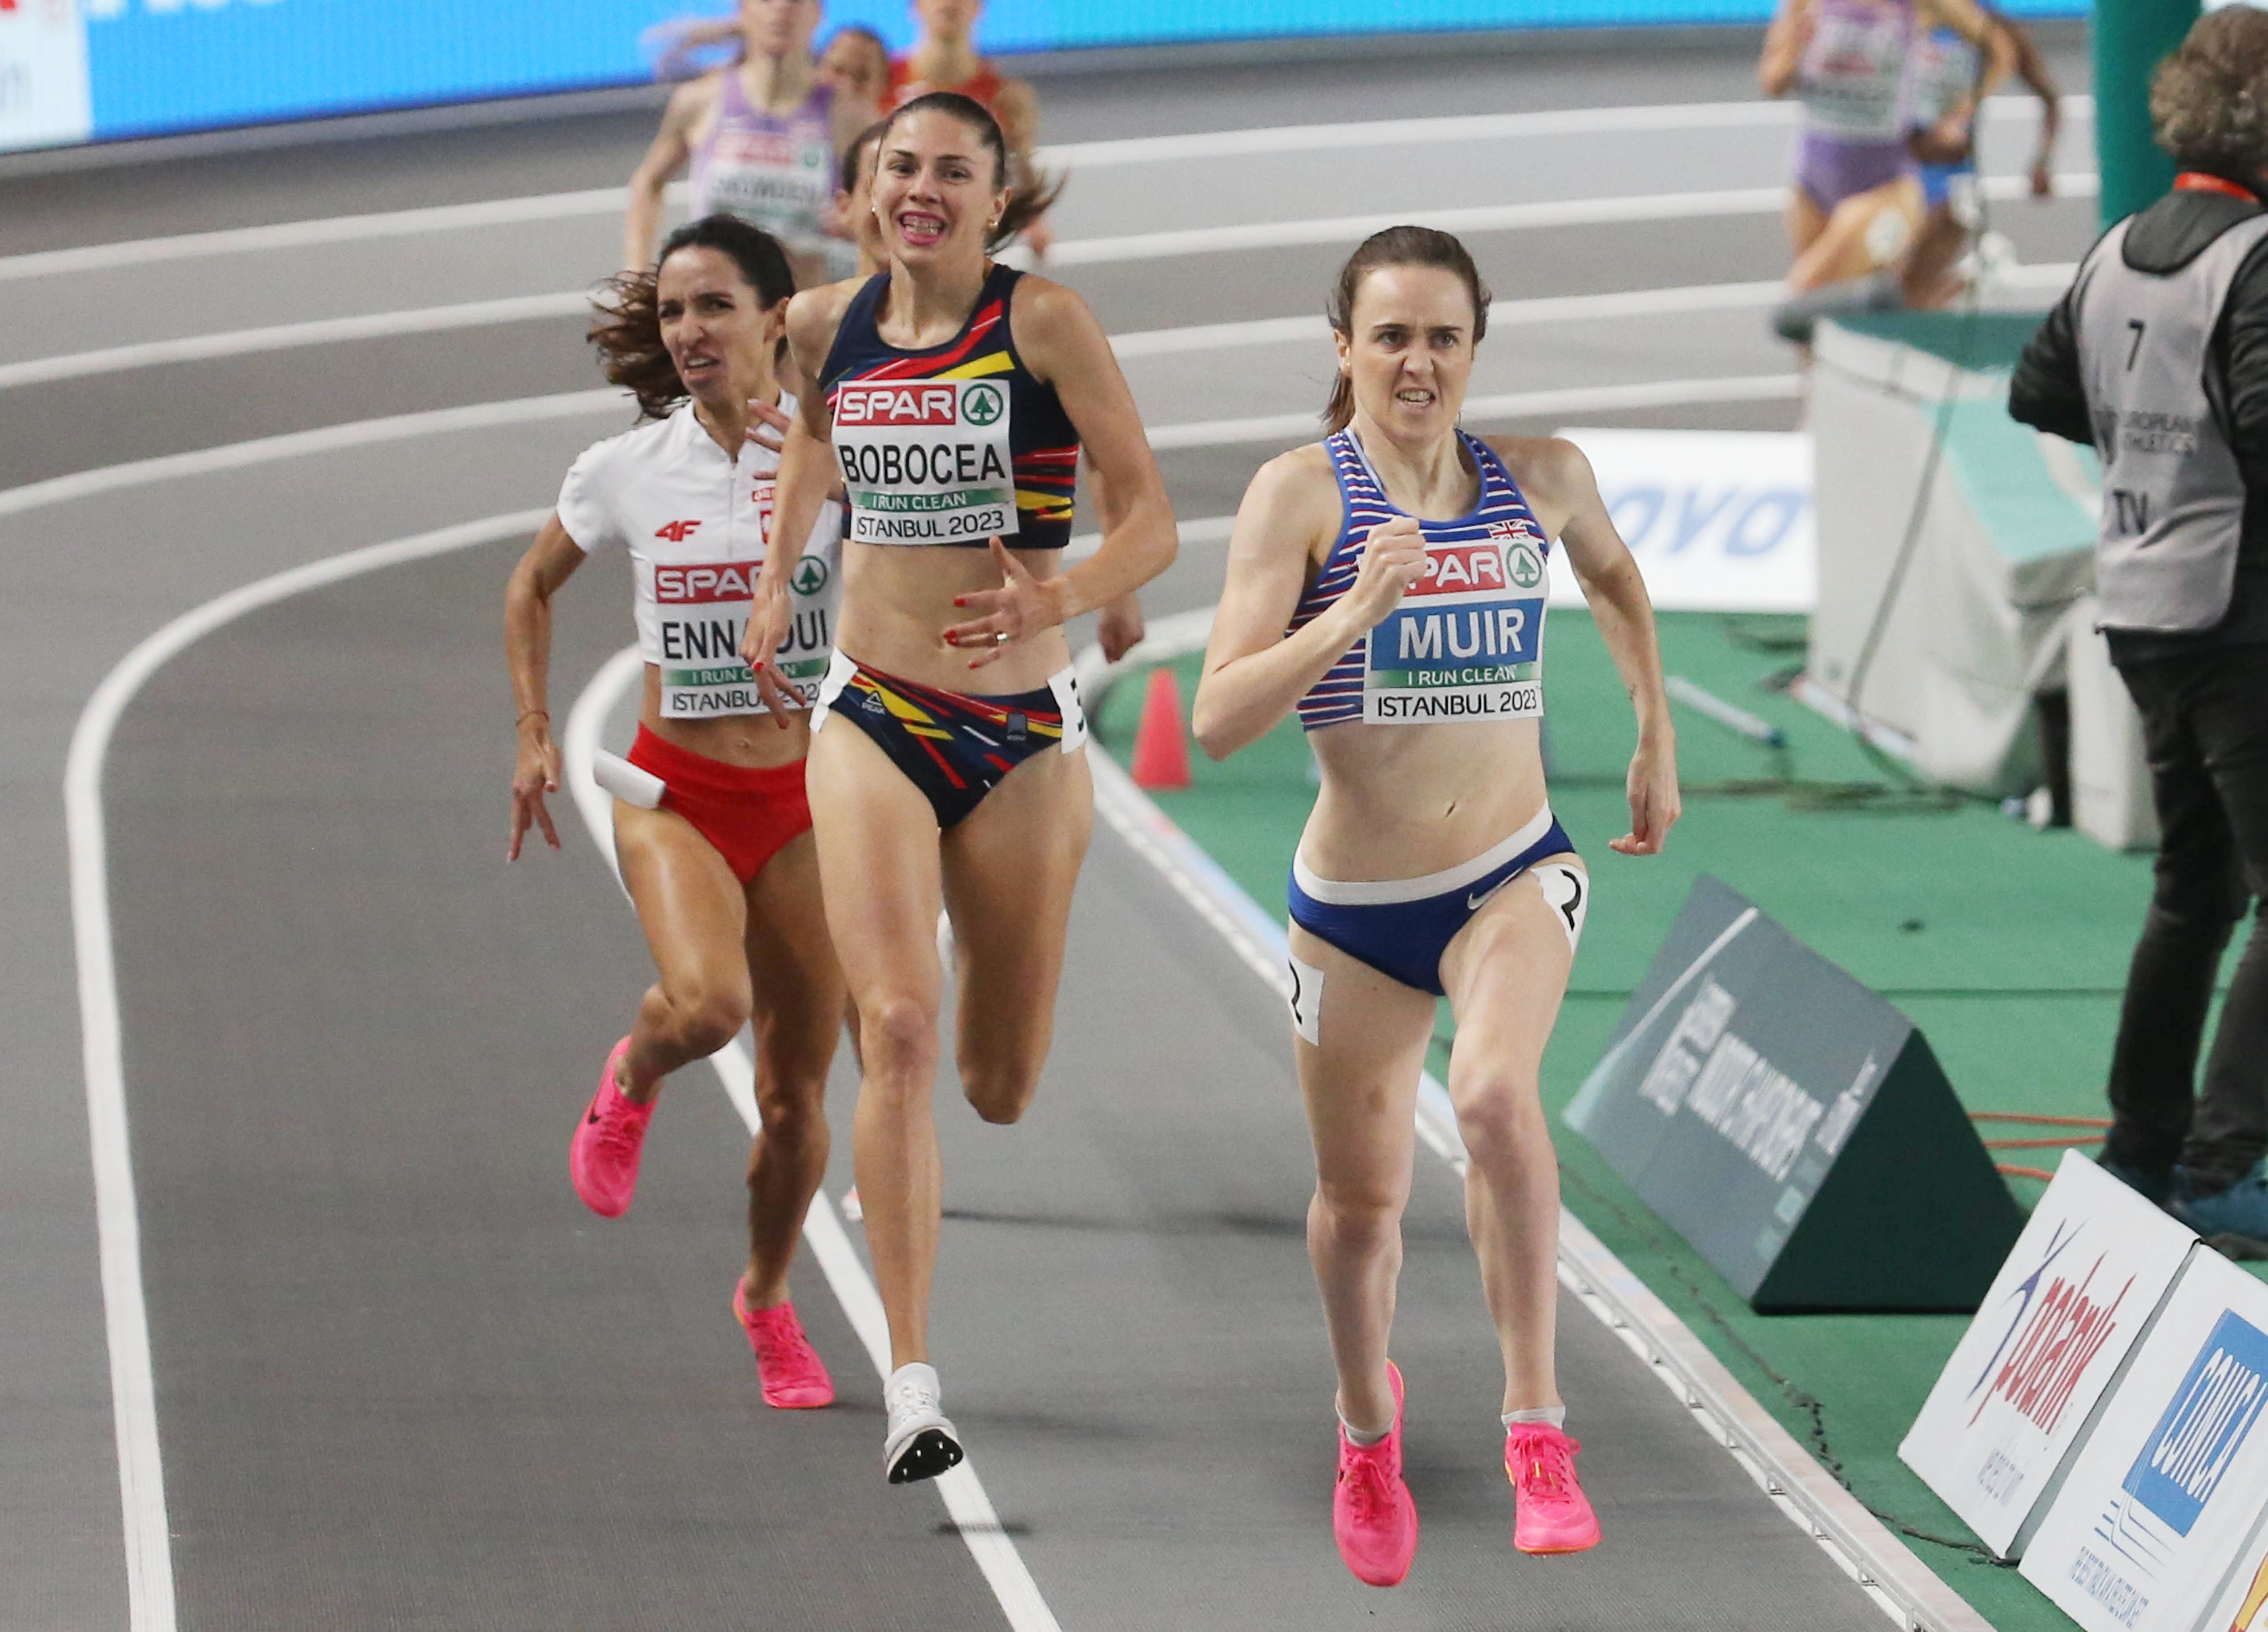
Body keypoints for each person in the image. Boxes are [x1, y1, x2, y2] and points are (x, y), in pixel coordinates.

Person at [1190, 226, 1680, 1586]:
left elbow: (1614, 573)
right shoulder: (1299, 496)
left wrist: (1653, 729)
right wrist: (1350, 607)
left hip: (1512, 867)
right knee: (1360, 1205)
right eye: (1390, 335)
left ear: (1476, 347)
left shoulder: (1538, 477)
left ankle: (1537, 1428)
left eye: (1442, 337)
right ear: (1341, 347)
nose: (1416, 362)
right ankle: (1364, 1427)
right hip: (1352, 906)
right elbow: (1217, 714)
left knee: (1488, 1096)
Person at [739, 91, 1176, 1483]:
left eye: (950, 174)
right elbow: (812, 437)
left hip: (1019, 736)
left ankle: (922, 1088)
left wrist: (1069, 589)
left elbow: (1149, 514)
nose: (918, 189)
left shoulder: (1041, 323)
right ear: (866, 187)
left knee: (994, 1079)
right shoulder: (820, 322)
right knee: (903, 1026)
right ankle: (913, 1380)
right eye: (898, 167)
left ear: (998, 204)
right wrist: (774, 585)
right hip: (870, 708)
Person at [506, 216, 849, 1410]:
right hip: (673, 792)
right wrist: (536, 732)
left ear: (776, 315)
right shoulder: (625, 469)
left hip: (809, 802)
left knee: (797, 1099)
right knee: (710, 1005)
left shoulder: (831, 449)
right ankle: (636, 1066)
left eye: (713, 307)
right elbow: (530, 587)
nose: (689, 331)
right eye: (670, 313)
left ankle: (765, 1298)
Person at [2010, 4, 2268, 1239]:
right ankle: (2221, 1165)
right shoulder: (2254, 254)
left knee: (2192, 887)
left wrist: (2149, 458)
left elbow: (2039, 388)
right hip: (2238, 616)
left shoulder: (2121, 242)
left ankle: (2141, 1148)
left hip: (2144, 606)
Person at [624, 0, 878, 284]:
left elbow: (885, 203)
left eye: (796, 1)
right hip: (720, 305)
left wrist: (858, 222)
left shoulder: (848, 114)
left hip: (806, 307)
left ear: (817, 14)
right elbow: (647, 183)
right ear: (743, 11)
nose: (781, 9)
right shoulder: (701, 100)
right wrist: (637, 278)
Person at [1757, 0, 2000, 295]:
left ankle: (1956, 281)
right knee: (1817, 326)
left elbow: (1998, 49)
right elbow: (1772, 82)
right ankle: (1957, 282)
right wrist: (1798, 44)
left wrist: (1960, 114)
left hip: (1885, 185)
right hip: (1812, 181)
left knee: (1806, 291)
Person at [1896, 7, 2059, 308]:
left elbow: (2050, 98)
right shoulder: (1900, 14)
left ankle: (1967, 280)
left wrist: (2042, 161)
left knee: (1909, 296)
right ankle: (1971, 278)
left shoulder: (1989, 25)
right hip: (1896, 173)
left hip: (1950, 182)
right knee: (1899, 292)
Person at [884, 0, 1058, 259]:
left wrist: (1032, 219)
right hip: (894, 242)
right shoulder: (882, 83)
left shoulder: (1006, 97)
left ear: (980, 8)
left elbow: (1019, 166)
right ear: (915, 6)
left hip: (964, 250)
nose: (950, 3)